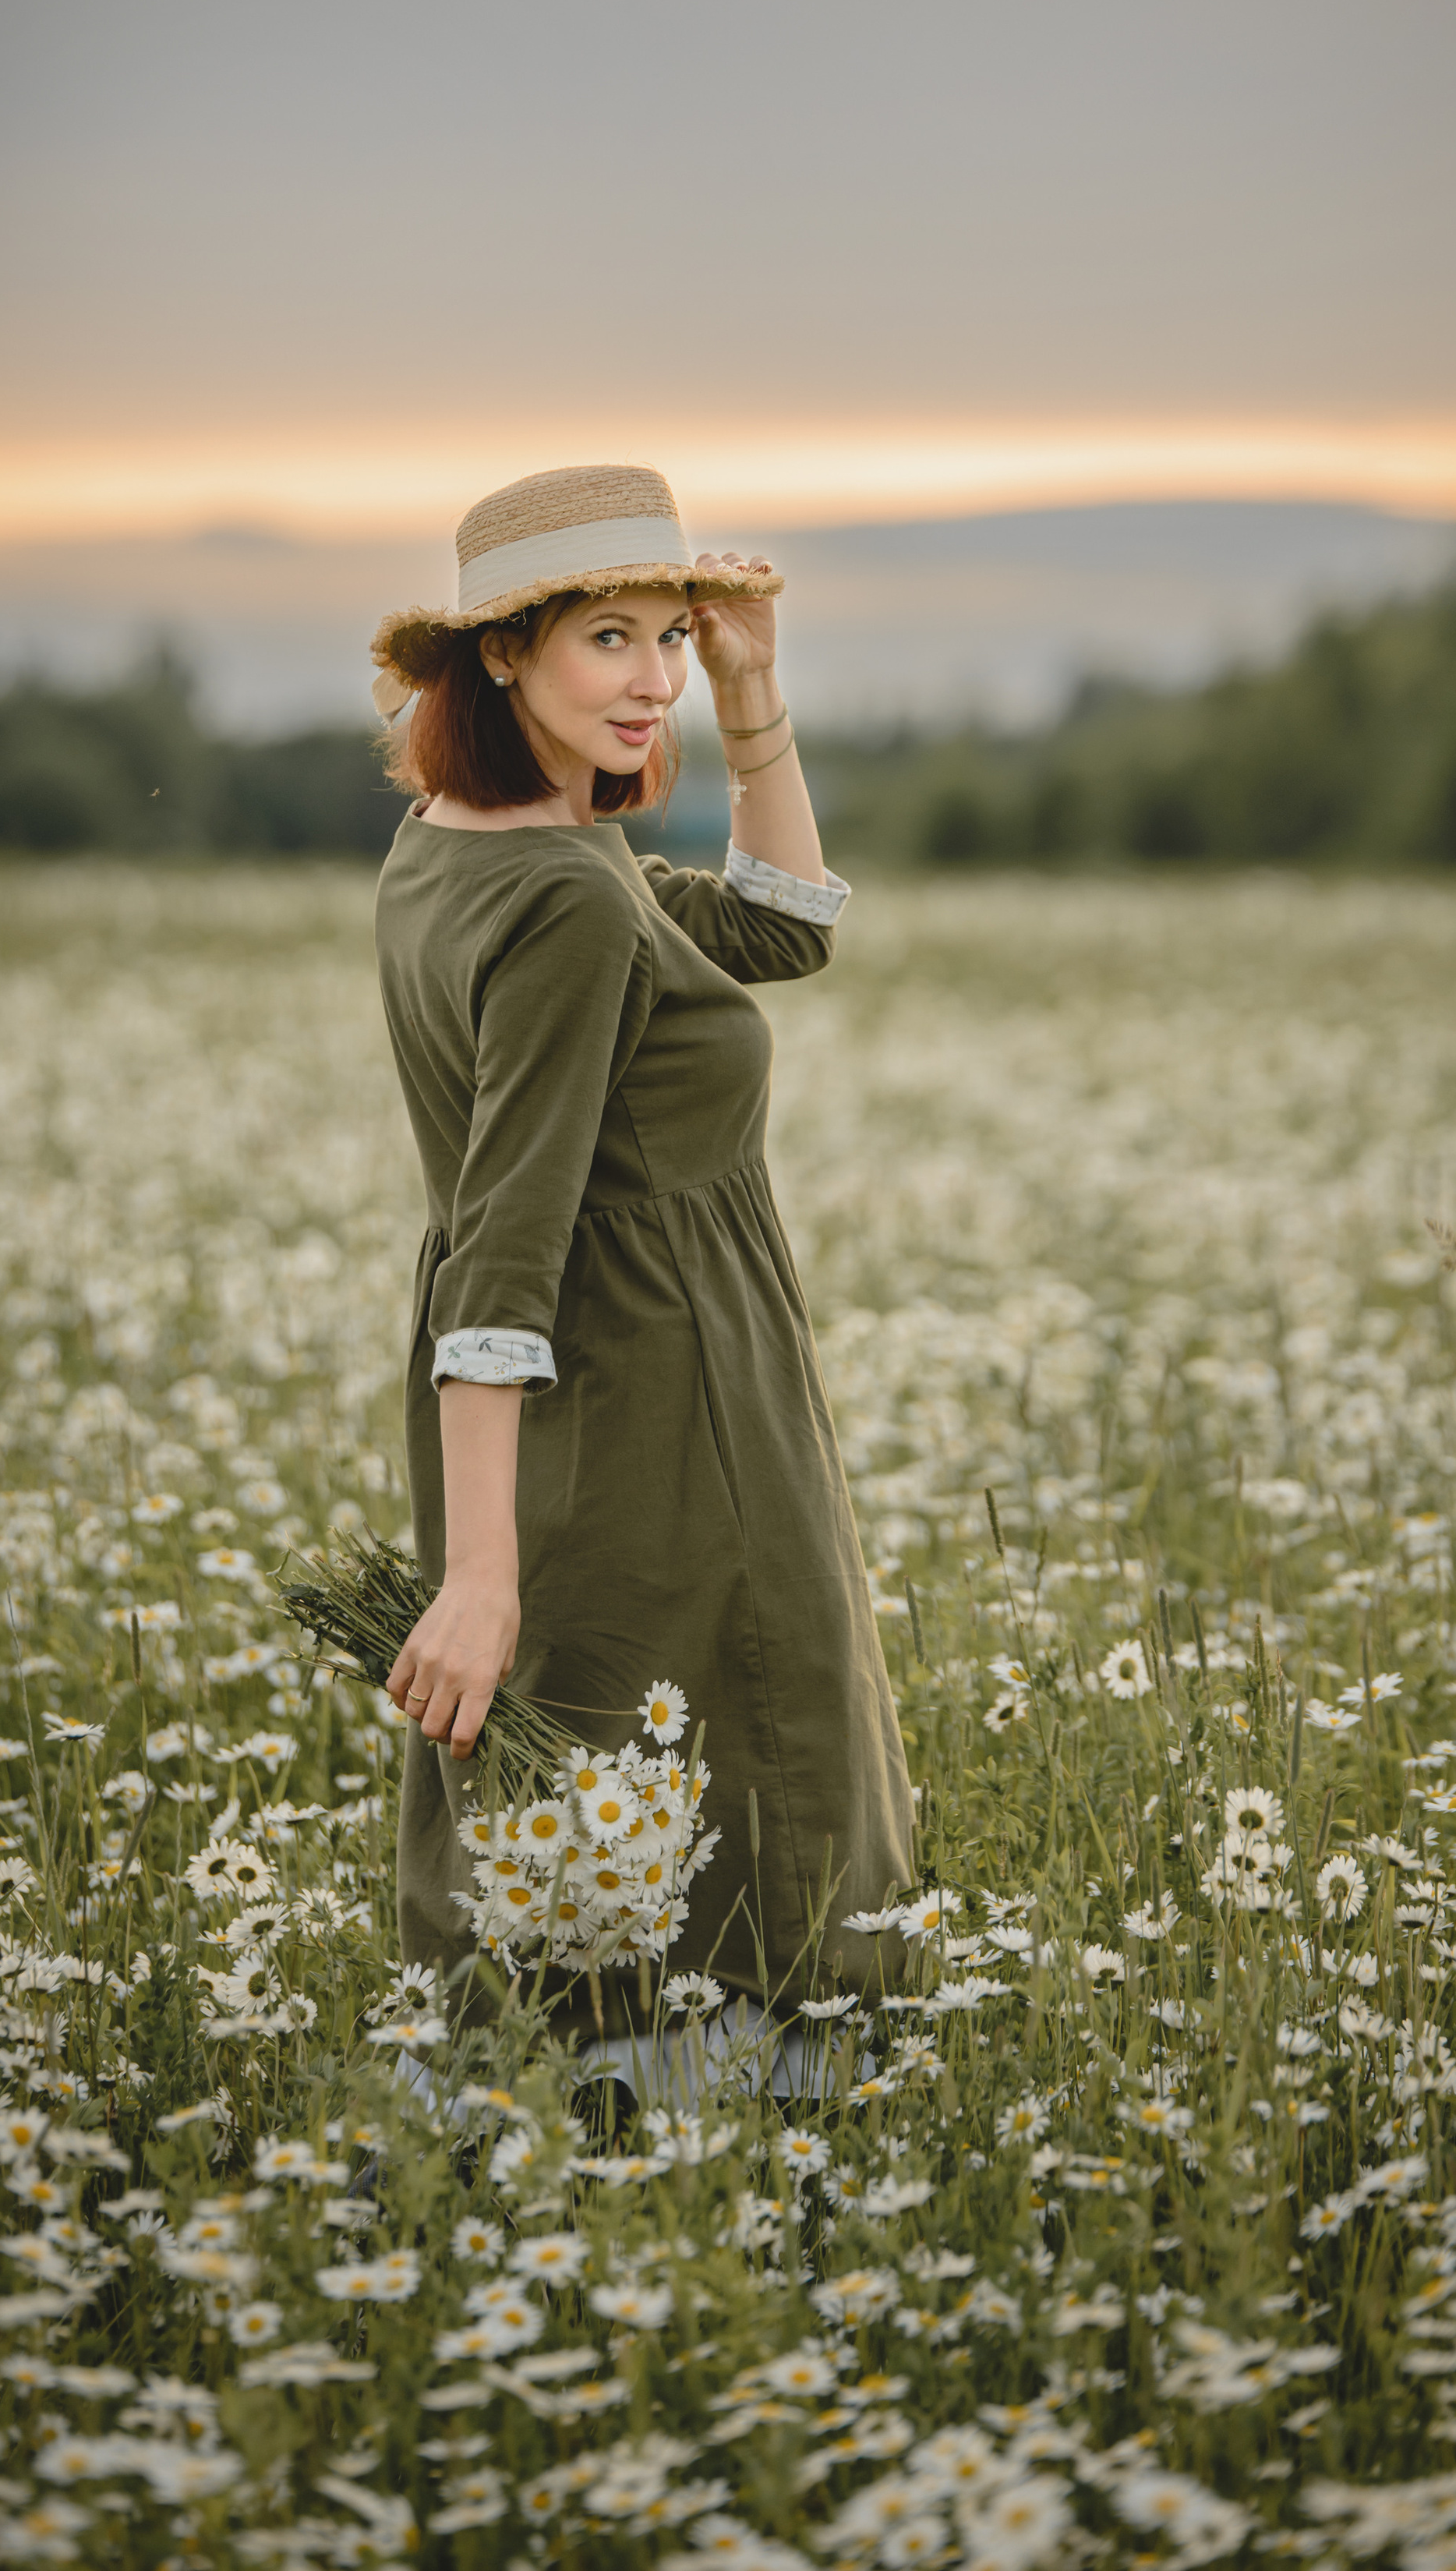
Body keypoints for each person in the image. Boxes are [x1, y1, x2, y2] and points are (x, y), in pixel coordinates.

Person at [367, 462, 912, 2069]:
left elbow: (783, 927)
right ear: (501, 651)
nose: (653, 678)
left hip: (580, 1394)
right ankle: (731, 2116)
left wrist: (750, 690)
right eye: (609, 637)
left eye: (668, 635)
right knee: (743, 1747)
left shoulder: (464, 845)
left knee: (593, 1751)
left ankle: (554, 2101)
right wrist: (477, 1576)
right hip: (659, 1384)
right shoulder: (565, 899)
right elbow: (503, 1246)